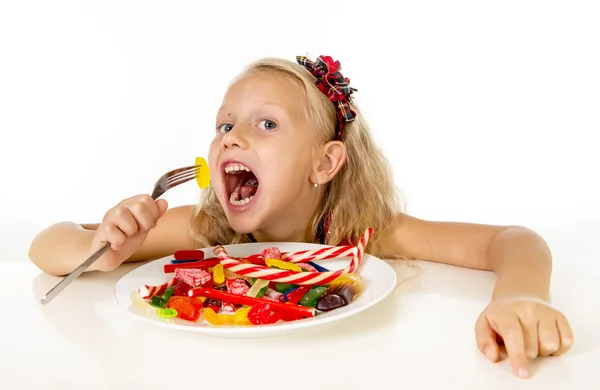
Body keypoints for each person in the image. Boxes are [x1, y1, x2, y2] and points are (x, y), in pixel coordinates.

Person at [29, 54, 573, 378]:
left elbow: (510, 239)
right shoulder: (208, 230)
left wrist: (521, 295)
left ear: (324, 162)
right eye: (225, 127)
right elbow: (46, 244)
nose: (233, 138)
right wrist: (101, 248)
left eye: (266, 125)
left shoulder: (365, 232)